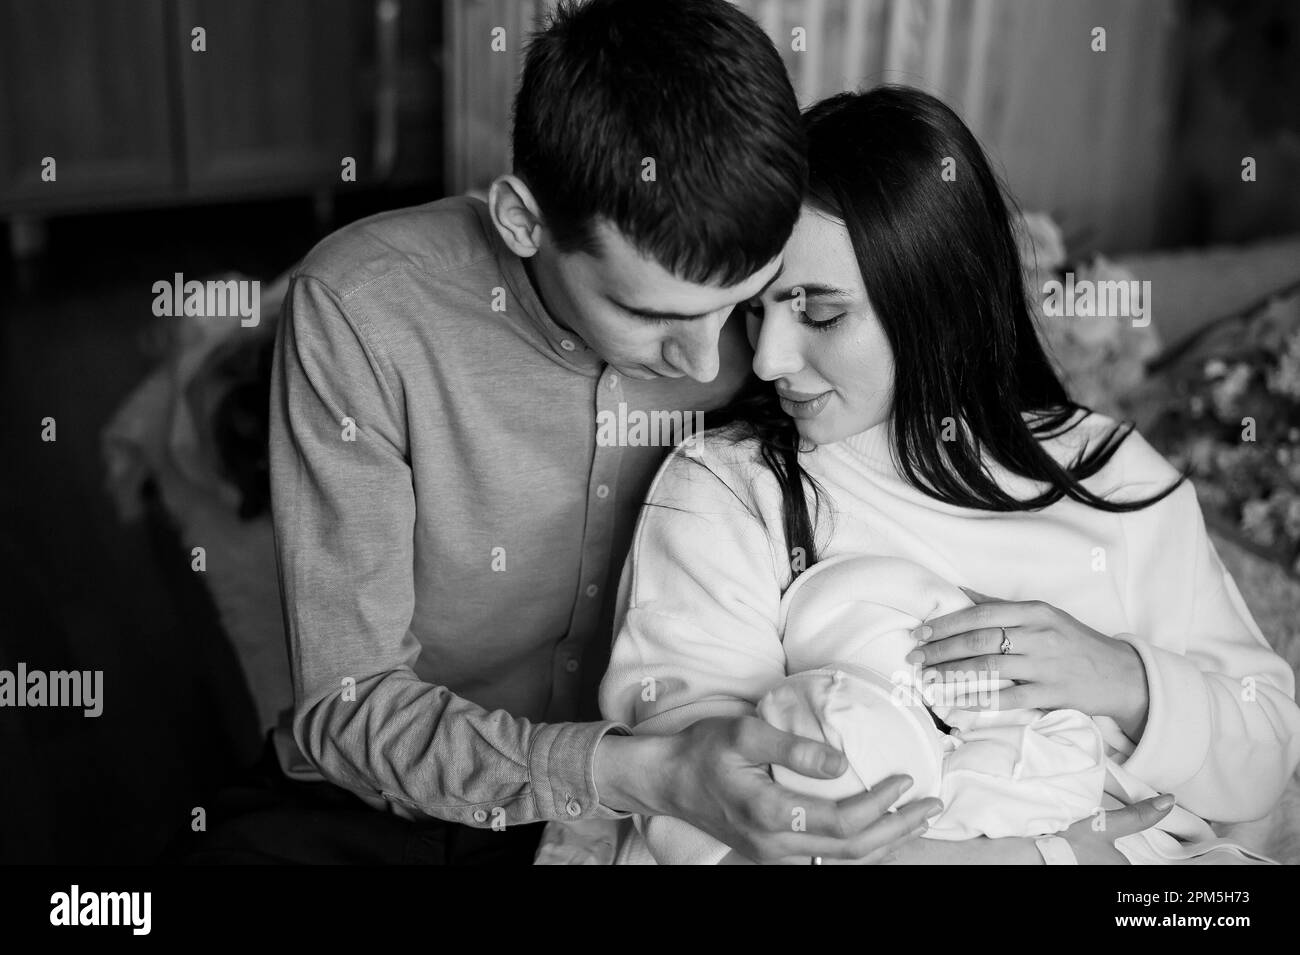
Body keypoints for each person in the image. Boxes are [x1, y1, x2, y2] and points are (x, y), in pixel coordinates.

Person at [186, 0, 938, 865]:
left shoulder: (771, 343)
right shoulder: (364, 311)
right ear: (522, 220)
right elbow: (349, 704)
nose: (712, 362)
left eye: (742, 300)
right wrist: (631, 771)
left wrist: (1123, 671)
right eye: (650, 313)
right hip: (392, 797)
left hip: (654, 813)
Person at [599, 87, 1300, 865]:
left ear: (937, 301)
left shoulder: (1112, 477)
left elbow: (1265, 754)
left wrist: (1125, 678)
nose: (768, 358)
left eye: (822, 315)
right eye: (757, 310)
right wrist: (1046, 857)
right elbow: (700, 809)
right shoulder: (731, 490)